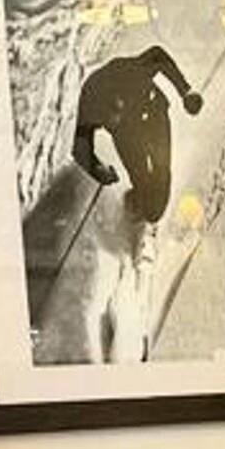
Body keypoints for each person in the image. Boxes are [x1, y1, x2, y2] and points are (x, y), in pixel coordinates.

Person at [70, 46, 203, 363]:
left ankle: (150, 210)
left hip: (153, 114)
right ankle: (143, 206)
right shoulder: (92, 98)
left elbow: (158, 55)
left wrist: (185, 92)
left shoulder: (130, 73)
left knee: (161, 176)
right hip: (128, 136)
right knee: (145, 183)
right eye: (109, 119)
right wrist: (98, 170)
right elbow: (80, 148)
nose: (112, 119)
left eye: (115, 114)